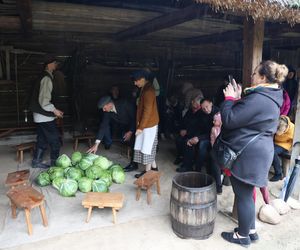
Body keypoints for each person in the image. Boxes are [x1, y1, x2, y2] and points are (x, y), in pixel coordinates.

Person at [220, 60, 287, 247]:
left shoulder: (259, 98)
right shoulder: (272, 95)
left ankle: (242, 237)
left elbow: (230, 120)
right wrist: (240, 98)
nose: (251, 77)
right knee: (246, 194)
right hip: (260, 151)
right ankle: (250, 231)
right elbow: (249, 116)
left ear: (263, 77)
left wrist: (230, 99)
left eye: (254, 74)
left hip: (250, 154)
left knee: (243, 195)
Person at [30, 54, 64, 168]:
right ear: (49, 64)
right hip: (44, 116)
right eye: (55, 63)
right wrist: (55, 110)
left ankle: (36, 161)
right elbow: (44, 101)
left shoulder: (44, 77)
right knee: (55, 140)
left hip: (40, 116)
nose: (56, 65)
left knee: (42, 139)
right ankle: (55, 166)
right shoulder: (46, 78)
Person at [87, 96, 138, 172]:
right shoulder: (107, 112)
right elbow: (103, 126)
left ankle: (134, 164)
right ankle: (134, 162)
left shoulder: (125, 104)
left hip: (136, 124)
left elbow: (135, 118)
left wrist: (131, 131)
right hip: (124, 125)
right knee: (129, 142)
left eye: (104, 108)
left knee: (135, 143)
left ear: (110, 104)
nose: (103, 110)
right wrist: (96, 144)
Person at [131, 70, 159, 178]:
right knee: (148, 147)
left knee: (147, 148)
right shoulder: (145, 88)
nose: (135, 83)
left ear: (142, 79)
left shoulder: (148, 91)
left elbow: (147, 110)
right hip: (147, 123)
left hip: (149, 125)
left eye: (136, 81)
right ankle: (154, 168)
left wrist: (140, 127)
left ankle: (148, 172)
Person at [174, 95, 202, 170]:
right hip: (187, 132)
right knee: (178, 139)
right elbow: (184, 121)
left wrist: (187, 131)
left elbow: (199, 127)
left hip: (196, 134)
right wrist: (182, 129)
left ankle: (187, 166)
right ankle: (180, 157)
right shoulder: (190, 111)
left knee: (187, 142)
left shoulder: (201, 113)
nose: (193, 103)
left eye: (195, 102)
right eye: (193, 102)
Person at [270, 115, 294, 182]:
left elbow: (295, 142)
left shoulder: (293, 129)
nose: (278, 132)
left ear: (286, 126)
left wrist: (291, 149)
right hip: (274, 141)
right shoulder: (277, 122)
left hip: (284, 144)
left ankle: (278, 173)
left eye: (280, 130)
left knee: (273, 152)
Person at [210, 112, 223, 194]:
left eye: (216, 120)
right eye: (213, 120)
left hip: (225, 151)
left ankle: (219, 184)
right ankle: (218, 186)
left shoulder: (224, 129)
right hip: (216, 149)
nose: (213, 122)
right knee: (215, 160)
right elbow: (212, 141)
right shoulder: (213, 129)